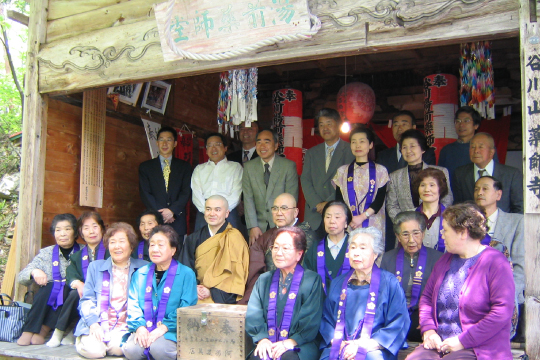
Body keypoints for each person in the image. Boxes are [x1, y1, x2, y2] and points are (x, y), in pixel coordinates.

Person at [405, 203, 515, 360]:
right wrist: (429, 330)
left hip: (479, 347)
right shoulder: (444, 260)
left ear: (463, 232)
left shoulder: (495, 262)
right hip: (440, 344)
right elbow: (427, 299)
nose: (442, 234)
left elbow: (501, 312)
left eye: (446, 230)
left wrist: (462, 341)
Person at [319, 227, 410, 360]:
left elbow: (398, 322)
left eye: (362, 248)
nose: (356, 253)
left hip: (373, 349)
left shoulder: (390, 283)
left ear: (375, 254)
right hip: (341, 347)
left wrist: (364, 345)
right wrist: (337, 342)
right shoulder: (338, 283)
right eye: (353, 247)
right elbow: (326, 319)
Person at [246, 227, 324, 360]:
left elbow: (311, 320)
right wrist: (262, 339)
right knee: (258, 357)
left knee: (288, 357)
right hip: (269, 341)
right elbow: (254, 313)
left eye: (285, 248)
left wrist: (291, 342)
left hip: (301, 344)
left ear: (299, 254)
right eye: (275, 247)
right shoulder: (264, 280)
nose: (278, 253)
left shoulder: (312, 280)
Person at [74, 222, 147, 358]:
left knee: (119, 349)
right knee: (94, 351)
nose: (117, 246)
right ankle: (85, 340)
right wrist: (93, 324)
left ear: (131, 246)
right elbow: (87, 299)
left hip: (126, 327)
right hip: (98, 324)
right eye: (112, 242)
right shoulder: (95, 267)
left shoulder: (144, 268)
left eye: (121, 241)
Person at [123, 225, 197, 360]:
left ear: (173, 250)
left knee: (160, 349)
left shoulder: (186, 274)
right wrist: (140, 327)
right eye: (152, 245)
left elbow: (186, 307)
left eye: (160, 245)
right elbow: (133, 304)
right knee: (131, 350)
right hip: (145, 327)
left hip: (171, 330)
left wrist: (163, 328)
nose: (155, 249)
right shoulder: (140, 274)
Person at [47, 212, 110, 348]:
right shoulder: (77, 256)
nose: (91, 231)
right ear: (80, 232)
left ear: (102, 228)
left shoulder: (111, 250)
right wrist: (78, 283)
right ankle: (59, 332)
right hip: (85, 295)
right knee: (76, 293)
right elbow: (71, 273)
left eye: (95, 226)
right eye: (86, 228)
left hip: (107, 292)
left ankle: (75, 332)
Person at [17, 214, 81, 346]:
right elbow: (21, 277)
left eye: (67, 229)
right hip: (46, 297)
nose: (62, 234)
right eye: (58, 230)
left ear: (75, 232)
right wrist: (34, 271)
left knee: (64, 288)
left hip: (71, 298)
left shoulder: (83, 251)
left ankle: (44, 330)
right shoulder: (46, 253)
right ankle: (29, 330)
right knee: (49, 287)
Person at [377, 111, 436, 252]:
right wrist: (403, 222)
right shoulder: (387, 162)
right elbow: (390, 203)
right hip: (400, 228)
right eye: (396, 125)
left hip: (432, 226)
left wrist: (430, 218)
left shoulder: (434, 165)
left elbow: (445, 199)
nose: (408, 151)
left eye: (404, 124)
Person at [242, 193, 316, 304]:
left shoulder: (306, 235)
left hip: (297, 293)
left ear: (295, 212)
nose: (279, 213)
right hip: (267, 292)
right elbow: (255, 271)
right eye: (275, 208)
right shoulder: (266, 236)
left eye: (284, 208)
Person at [380, 211, 443, 342]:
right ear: (397, 236)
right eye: (405, 234)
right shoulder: (387, 258)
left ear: (423, 234)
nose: (411, 240)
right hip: (394, 314)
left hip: (423, 315)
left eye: (416, 233)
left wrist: (428, 320)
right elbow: (382, 294)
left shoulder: (437, 258)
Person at [180, 195, 249, 304]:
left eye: (217, 210)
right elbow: (185, 268)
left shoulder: (235, 238)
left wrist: (212, 291)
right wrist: (195, 288)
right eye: (208, 209)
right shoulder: (193, 238)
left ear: (227, 213)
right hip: (197, 295)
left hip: (223, 297)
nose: (212, 213)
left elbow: (237, 274)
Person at [301, 108, 355, 237]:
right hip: (314, 214)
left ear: (338, 125)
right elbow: (305, 180)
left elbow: (348, 181)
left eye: (329, 124)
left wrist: (328, 204)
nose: (325, 128)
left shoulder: (350, 150)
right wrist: (317, 204)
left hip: (338, 213)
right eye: (321, 125)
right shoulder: (312, 152)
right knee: (313, 254)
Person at [474, 176, 524, 305]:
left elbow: (521, 267)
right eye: (476, 189)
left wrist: (505, 298)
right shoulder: (468, 224)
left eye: (485, 189)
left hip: (508, 300)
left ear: (498, 194)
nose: (479, 192)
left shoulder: (516, 222)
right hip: (474, 300)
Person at [243, 129, 299, 244]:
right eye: (259, 142)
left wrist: (283, 227)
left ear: (276, 145)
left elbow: (291, 199)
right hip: (258, 227)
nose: (262, 146)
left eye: (267, 142)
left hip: (282, 225)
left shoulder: (288, 166)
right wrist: (253, 226)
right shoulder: (249, 167)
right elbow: (248, 198)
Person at [386, 129, 453, 224]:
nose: (408, 151)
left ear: (422, 149)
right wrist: (404, 223)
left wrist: (434, 218)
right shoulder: (394, 177)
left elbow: (447, 198)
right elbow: (392, 206)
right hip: (407, 229)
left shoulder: (440, 171)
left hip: (436, 225)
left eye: (412, 146)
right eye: (404, 147)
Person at [332, 126, 388, 238]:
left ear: (371, 144)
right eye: (354, 142)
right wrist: (350, 218)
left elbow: (379, 200)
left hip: (373, 223)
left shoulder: (381, 171)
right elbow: (339, 200)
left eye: (362, 141)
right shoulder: (342, 171)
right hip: (349, 223)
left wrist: (362, 217)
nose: (358, 145)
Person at [139, 126, 192, 239]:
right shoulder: (146, 167)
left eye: (169, 140)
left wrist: (172, 211)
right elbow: (145, 193)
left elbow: (186, 192)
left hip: (177, 220)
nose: (165, 143)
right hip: (154, 220)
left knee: (176, 255)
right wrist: (162, 214)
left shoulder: (184, 167)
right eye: (161, 140)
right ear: (157, 143)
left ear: (175, 143)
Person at [453, 132, 523, 213]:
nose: (476, 151)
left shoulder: (512, 174)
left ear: (491, 152)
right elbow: (458, 206)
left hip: (503, 224)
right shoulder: (460, 173)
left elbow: (519, 207)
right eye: (472, 147)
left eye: (480, 147)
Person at [191, 132, 243, 231]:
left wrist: (221, 211)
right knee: (202, 244)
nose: (213, 148)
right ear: (206, 150)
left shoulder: (235, 167)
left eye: (218, 145)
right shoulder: (199, 169)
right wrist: (208, 212)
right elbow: (196, 195)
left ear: (225, 148)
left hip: (228, 212)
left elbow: (236, 194)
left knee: (231, 244)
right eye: (209, 146)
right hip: (204, 212)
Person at [304, 201, 352, 293]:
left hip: (349, 303)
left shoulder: (356, 247)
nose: (332, 221)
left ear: (346, 222)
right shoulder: (315, 248)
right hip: (320, 303)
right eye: (328, 217)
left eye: (337, 217)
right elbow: (307, 279)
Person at [438, 106, 482, 183]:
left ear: (476, 125)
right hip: (452, 194)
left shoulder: (483, 148)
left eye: (466, 121)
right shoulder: (446, 150)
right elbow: (440, 178)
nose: (461, 125)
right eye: (458, 121)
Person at [410, 168, 449, 251]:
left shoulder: (451, 217)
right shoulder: (408, 216)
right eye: (422, 185)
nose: (427, 190)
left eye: (432, 185)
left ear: (440, 188)